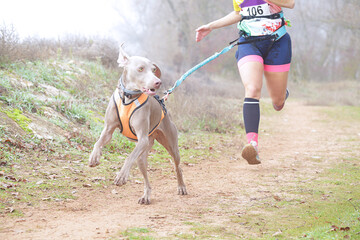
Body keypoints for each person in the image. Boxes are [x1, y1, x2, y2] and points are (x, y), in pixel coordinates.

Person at [195, 0, 295, 165]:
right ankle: (252, 145)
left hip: (278, 42)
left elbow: (290, 3)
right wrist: (211, 26)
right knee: (252, 88)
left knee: (278, 102)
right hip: (249, 43)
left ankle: (281, 93)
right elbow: (238, 13)